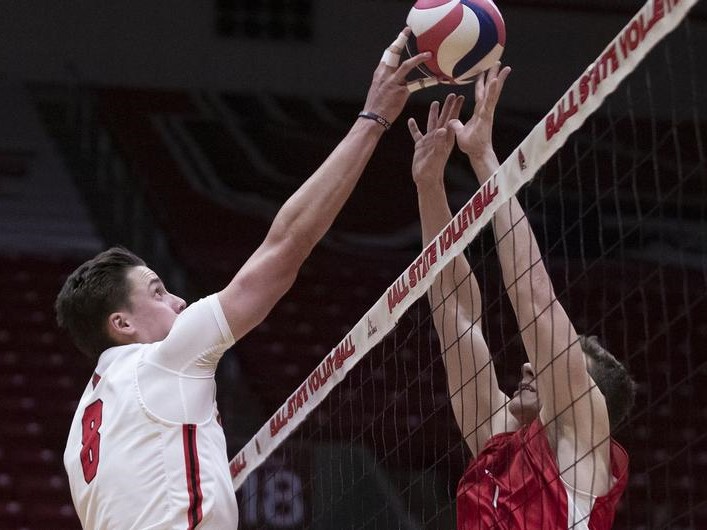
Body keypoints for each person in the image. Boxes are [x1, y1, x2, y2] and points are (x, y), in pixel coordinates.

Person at [56, 29, 431, 529]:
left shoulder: (85, 424)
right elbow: (284, 248)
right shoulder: (162, 362)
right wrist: (373, 118)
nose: (179, 301)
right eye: (159, 292)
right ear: (121, 324)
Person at [407, 64, 637, 529]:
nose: (530, 365)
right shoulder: (499, 442)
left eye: (561, 365)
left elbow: (536, 299)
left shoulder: (580, 449)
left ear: (584, 400)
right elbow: (455, 317)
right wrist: (430, 188)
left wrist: (485, 160)